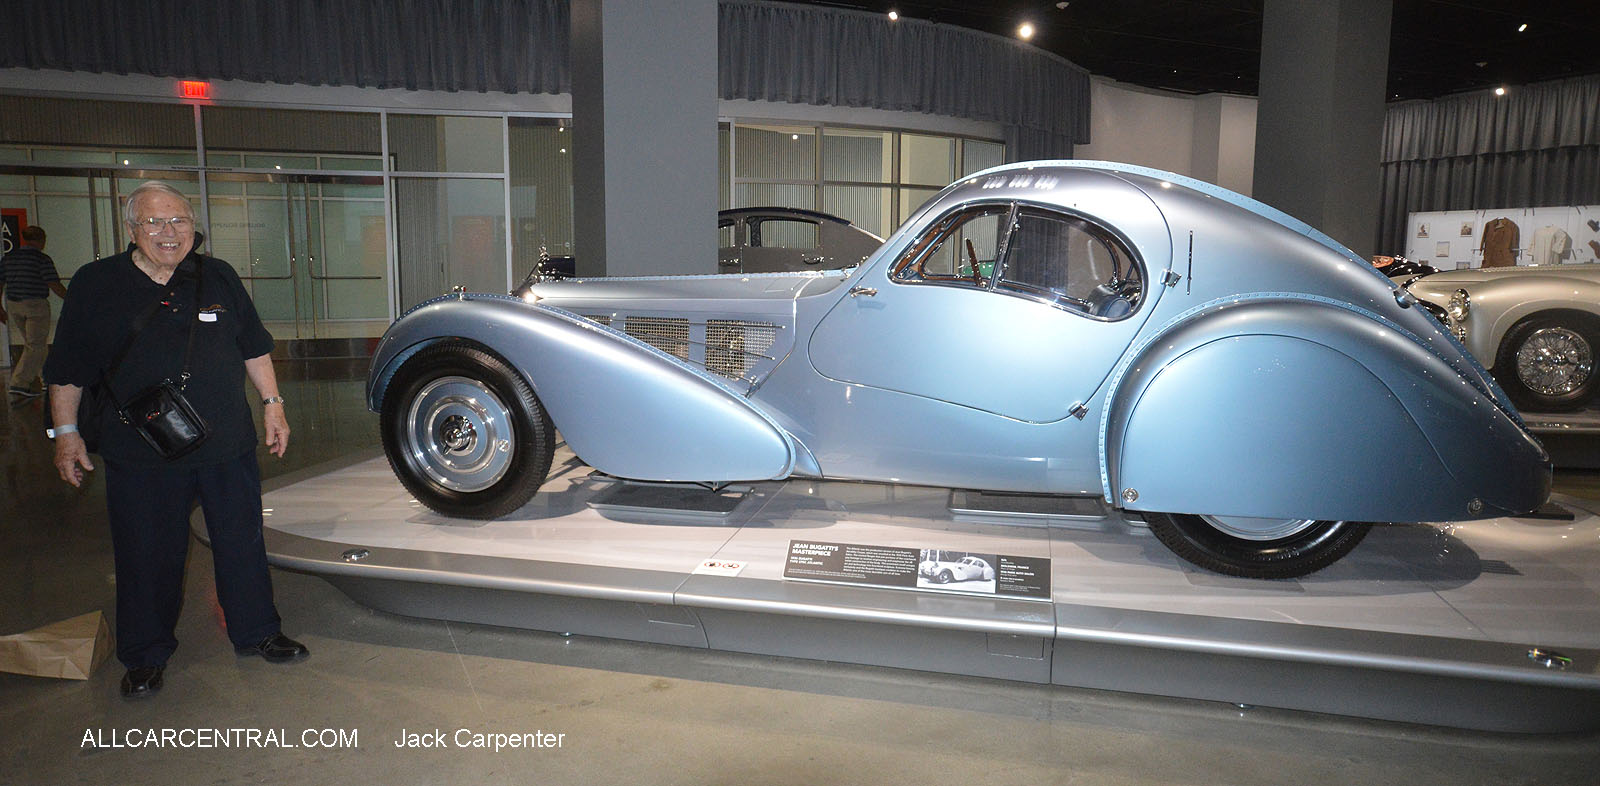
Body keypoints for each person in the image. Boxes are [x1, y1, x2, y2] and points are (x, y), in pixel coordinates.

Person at [44, 181, 308, 699]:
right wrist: (66, 434)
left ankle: (258, 632)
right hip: (139, 451)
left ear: (194, 227)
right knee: (145, 553)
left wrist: (273, 405)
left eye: (180, 222)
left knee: (241, 542)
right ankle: (144, 655)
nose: (170, 233)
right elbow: (67, 369)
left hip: (225, 442)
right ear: (131, 229)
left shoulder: (218, 276)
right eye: (155, 223)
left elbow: (253, 347)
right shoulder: (97, 284)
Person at [0, 225, 68, 397]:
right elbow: (53, 283)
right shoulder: (42, 259)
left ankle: (46, 378)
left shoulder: (9, 258)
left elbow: (1, 282)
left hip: (14, 305)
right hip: (35, 306)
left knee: (35, 345)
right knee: (35, 345)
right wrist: (71, 300)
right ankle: (19, 383)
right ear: (41, 239)